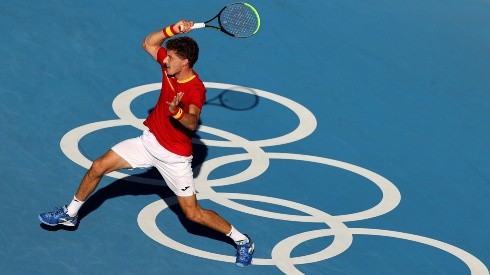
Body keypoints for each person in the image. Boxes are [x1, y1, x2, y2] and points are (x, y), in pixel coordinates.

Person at [38, 20, 254, 267]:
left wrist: (177, 113)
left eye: (170, 58)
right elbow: (149, 43)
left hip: (174, 158)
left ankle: (242, 240)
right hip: (148, 142)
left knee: (193, 214)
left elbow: (192, 122)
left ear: (185, 62)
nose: (165, 60)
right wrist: (173, 29)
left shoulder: (195, 88)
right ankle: (70, 215)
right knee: (98, 166)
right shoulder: (168, 67)